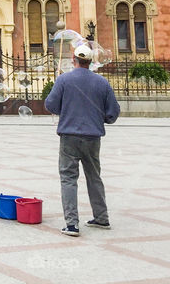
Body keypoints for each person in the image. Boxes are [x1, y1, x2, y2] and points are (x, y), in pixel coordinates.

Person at [44, 43, 120, 237]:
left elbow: (50, 105)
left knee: (68, 178)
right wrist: (100, 118)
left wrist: (65, 109)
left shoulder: (64, 80)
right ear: (90, 62)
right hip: (93, 137)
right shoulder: (102, 82)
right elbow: (113, 113)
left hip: (69, 136)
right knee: (94, 176)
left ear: (74, 60)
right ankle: (101, 218)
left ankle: (72, 224)